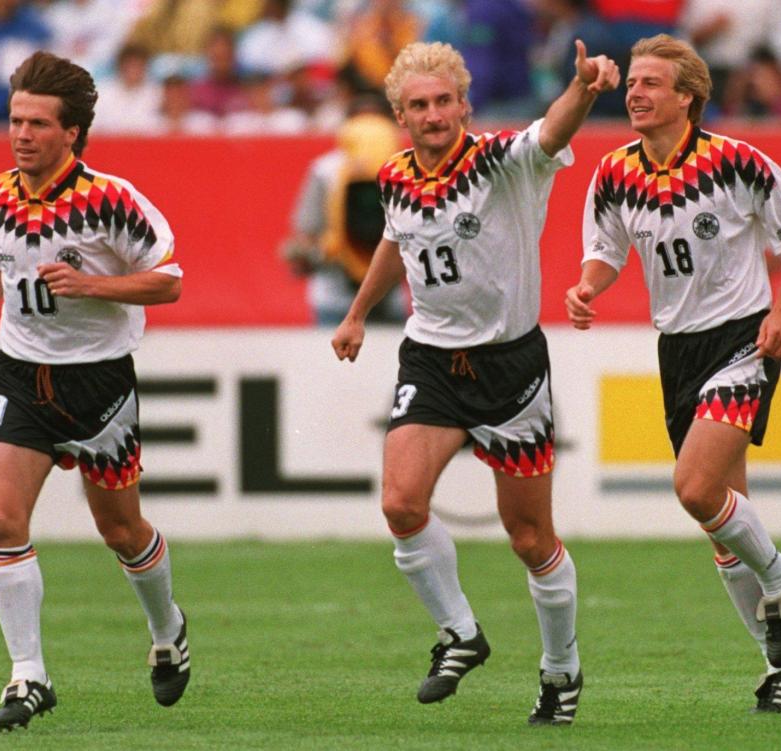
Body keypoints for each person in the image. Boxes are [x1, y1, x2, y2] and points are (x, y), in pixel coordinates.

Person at [331, 40, 619, 724]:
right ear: (401, 114)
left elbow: (553, 129)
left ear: (464, 103)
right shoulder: (397, 175)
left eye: (443, 102)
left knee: (530, 536)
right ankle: (460, 632)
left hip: (509, 367)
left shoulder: (502, 161)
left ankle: (561, 669)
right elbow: (396, 242)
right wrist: (356, 312)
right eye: (418, 105)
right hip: (430, 359)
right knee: (401, 504)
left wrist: (583, 89)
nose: (433, 115)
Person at [565, 34, 781, 713]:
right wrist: (587, 286)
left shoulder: (735, 161)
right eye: (633, 83)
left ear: (688, 98)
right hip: (675, 350)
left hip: (740, 339)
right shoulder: (616, 171)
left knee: (695, 486)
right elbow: (605, 250)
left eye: (651, 83)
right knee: (720, 520)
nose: (636, 92)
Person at [0, 51, 189, 731]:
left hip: (99, 383)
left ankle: (167, 627)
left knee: (121, 528)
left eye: (36, 123)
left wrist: (96, 286)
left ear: (71, 133)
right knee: (1, 518)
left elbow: (169, 280)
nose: (21, 134)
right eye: (14, 120)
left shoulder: (112, 201)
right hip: (21, 376)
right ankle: (29, 675)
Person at [283, 95, 407, 325]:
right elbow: (305, 234)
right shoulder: (325, 170)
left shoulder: (407, 171)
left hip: (388, 297)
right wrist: (329, 251)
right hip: (336, 297)